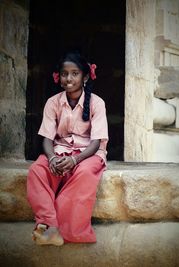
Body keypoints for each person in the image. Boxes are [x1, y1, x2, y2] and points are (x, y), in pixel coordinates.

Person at [27, 51, 108, 246]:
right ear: (58, 77)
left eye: (75, 73)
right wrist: (52, 158)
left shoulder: (97, 103)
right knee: (37, 170)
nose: (68, 78)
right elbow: (46, 138)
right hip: (59, 151)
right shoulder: (53, 102)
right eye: (64, 73)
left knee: (84, 174)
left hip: (89, 154)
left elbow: (96, 142)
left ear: (85, 77)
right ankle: (50, 227)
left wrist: (74, 161)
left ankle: (68, 231)